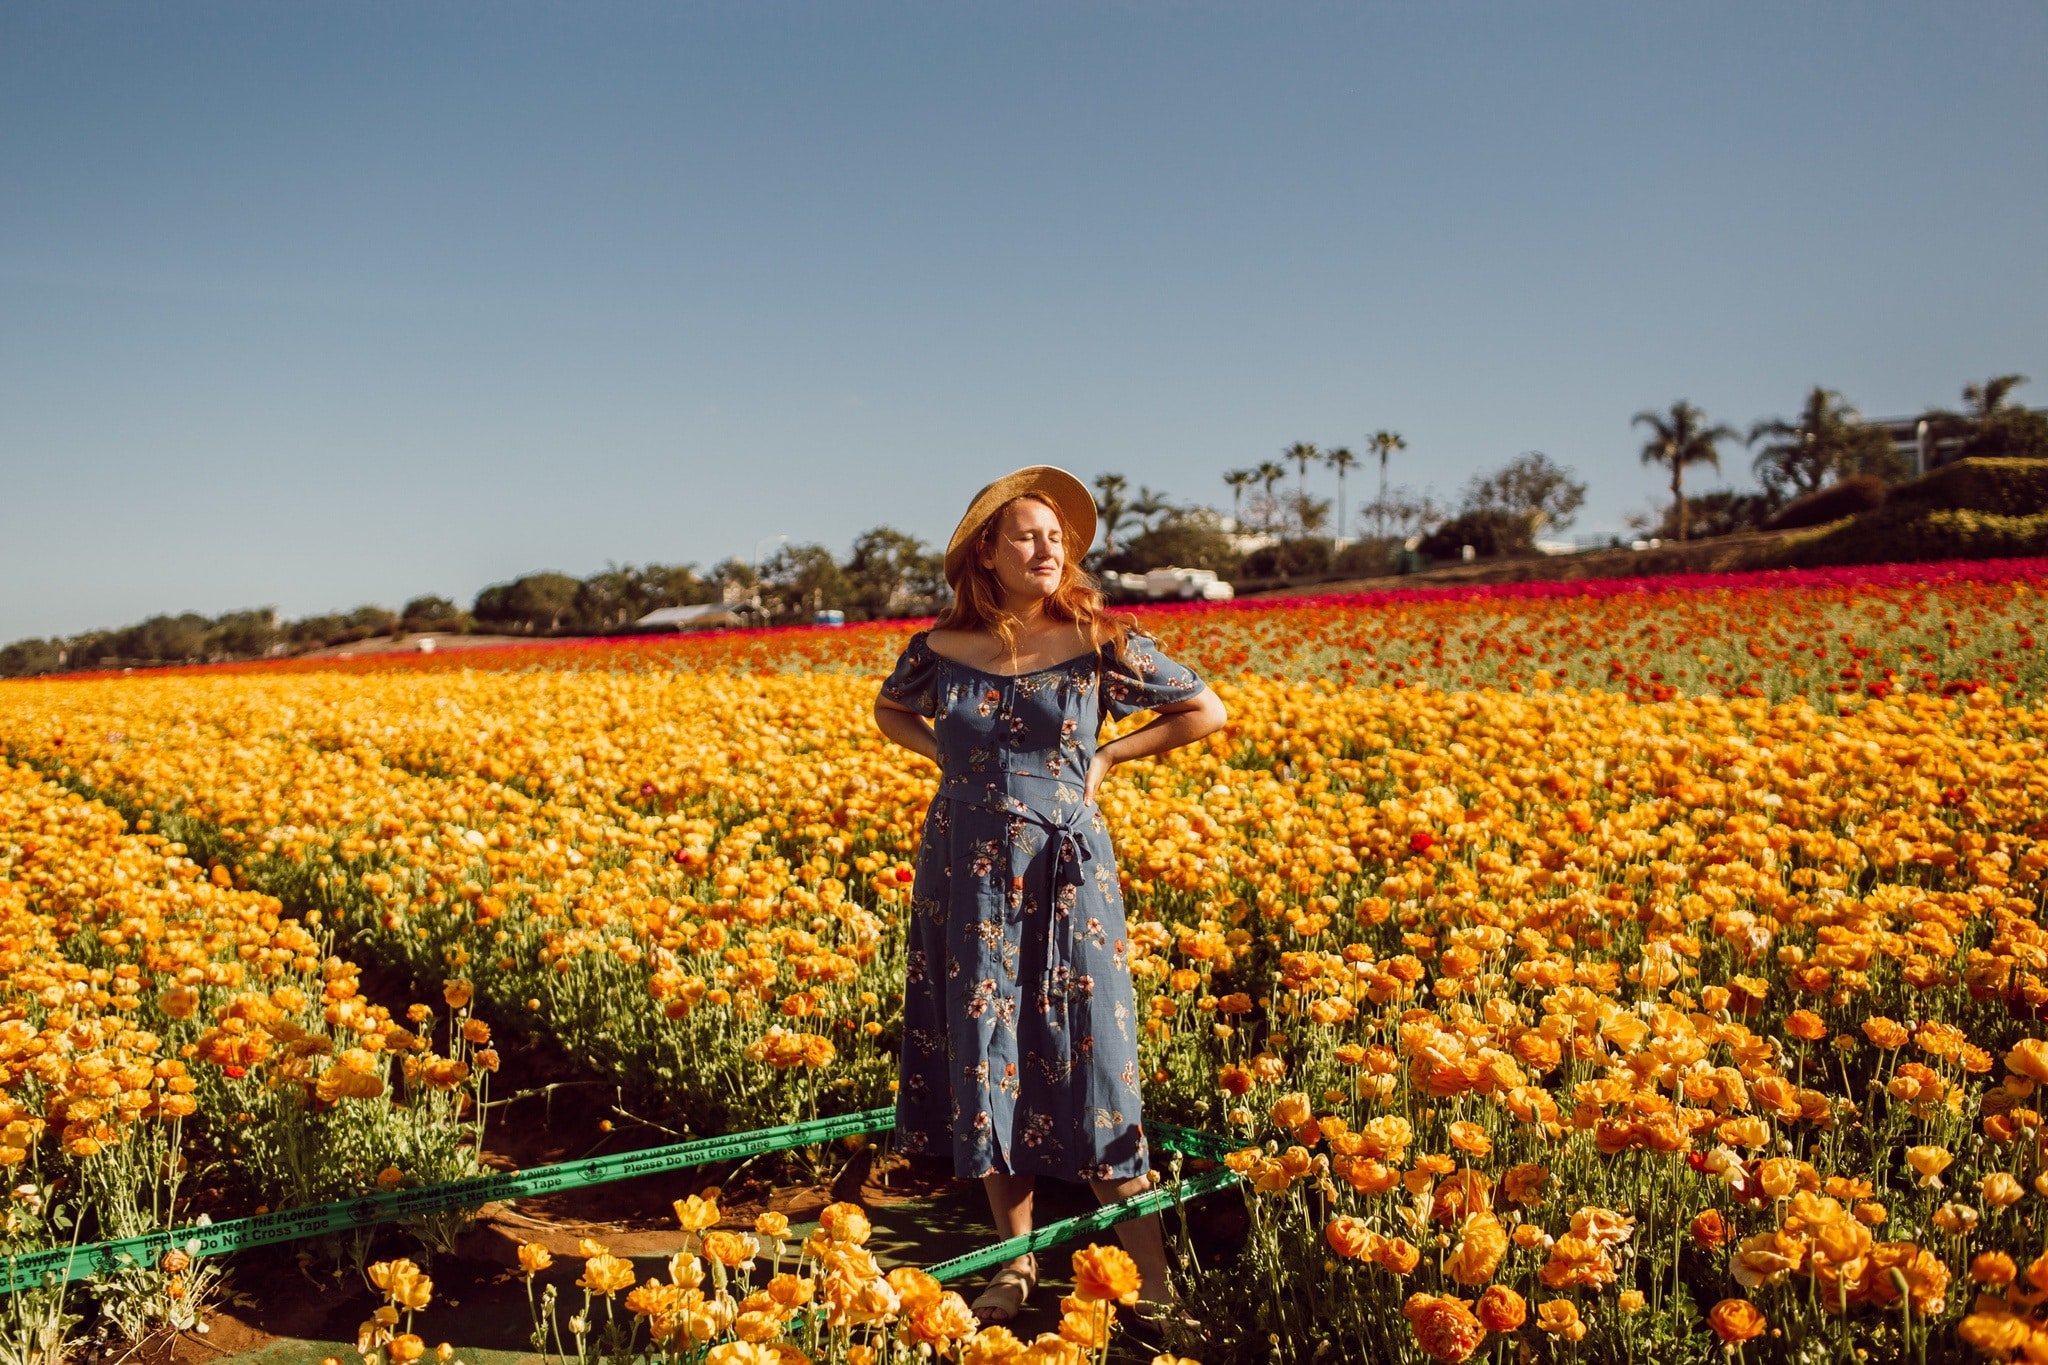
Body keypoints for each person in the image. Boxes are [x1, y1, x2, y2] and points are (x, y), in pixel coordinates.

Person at [871, 465, 1229, 1330]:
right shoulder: (936, 649)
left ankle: (1155, 1282)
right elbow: (889, 710)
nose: (1048, 547)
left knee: (1092, 1053)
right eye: (1027, 534)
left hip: (1067, 872)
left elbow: (1205, 709)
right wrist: (950, 768)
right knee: (988, 1048)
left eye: (1056, 536)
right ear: (986, 552)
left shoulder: (1101, 638)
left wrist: (1104, 760)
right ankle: (1016, 1265)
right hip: (965, 872)